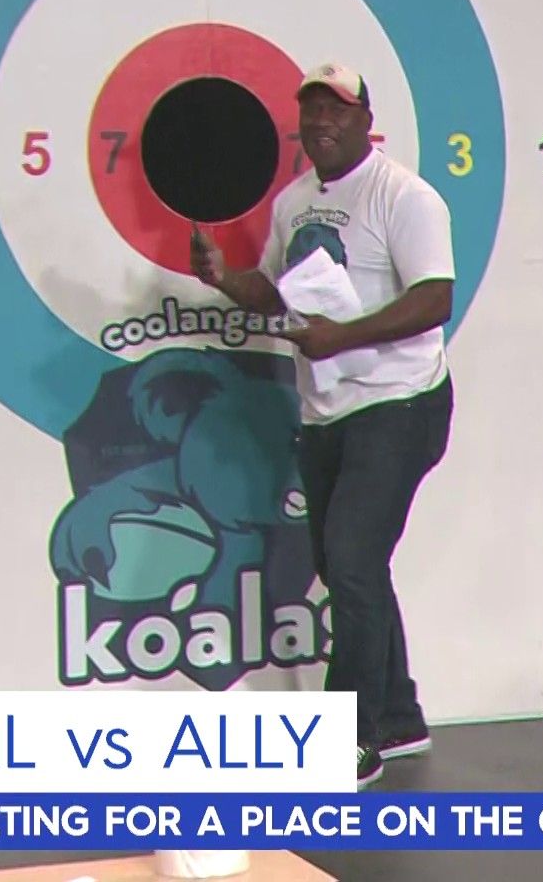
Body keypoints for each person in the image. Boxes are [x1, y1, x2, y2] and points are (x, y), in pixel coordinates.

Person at [191, 61, 457, 789]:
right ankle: (397, 717)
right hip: (326, 409)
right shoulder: (294, 202)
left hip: (401, 403)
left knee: (351, 561)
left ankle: (351, 739)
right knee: (351, 565)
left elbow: (435, 298)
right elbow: (276, 293)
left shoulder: (405, 197)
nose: (322, 123)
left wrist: (344, 336)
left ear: (366, 120)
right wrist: (224, 278)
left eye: (337, 110)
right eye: (311, 110)